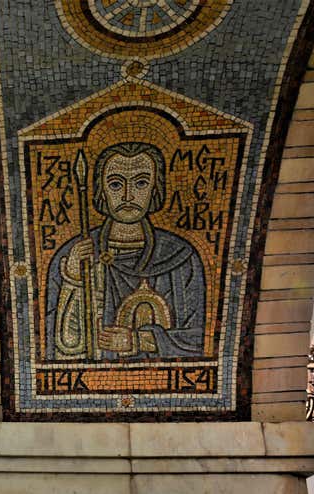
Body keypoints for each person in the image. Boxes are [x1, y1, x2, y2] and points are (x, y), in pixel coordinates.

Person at [44, 142, 205, 360]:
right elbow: (59, 347)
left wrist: (141, 341)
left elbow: (201, 338)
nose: (128, 195)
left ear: (155, 188)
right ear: (101, 190)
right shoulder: (76, 254)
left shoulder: (181, 257)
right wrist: (74, 282)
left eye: (140, 183)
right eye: (116, 184)